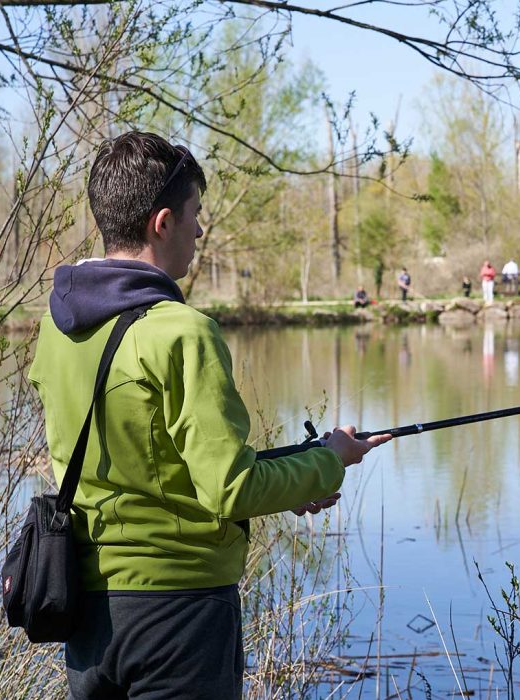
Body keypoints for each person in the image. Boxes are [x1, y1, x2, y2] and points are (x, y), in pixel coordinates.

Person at [28, 131, 390, 699]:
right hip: (179, 616)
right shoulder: (182, 332)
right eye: (195, 214)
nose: (199, 230)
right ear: (162, 222)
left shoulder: (56, 328)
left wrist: (289, 480)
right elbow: (231, 489)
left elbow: (153, 468)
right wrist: (329, 461)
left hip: (87, 617)